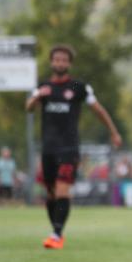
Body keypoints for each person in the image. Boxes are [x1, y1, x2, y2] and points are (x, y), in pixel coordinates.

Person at [25, 44, 122, 249]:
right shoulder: (43, 86)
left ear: (69, 63)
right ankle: (56, 230)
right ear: (52, 62)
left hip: (69, 148)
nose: (60, 62)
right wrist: (37, 96)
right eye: (56, 59)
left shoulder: (78, 87)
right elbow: (29, 108)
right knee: (50, 193)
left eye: (64, 59)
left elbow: (98, 110)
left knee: (62, 190)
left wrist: (113, 131)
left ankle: (57, 234)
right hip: (48, 148)